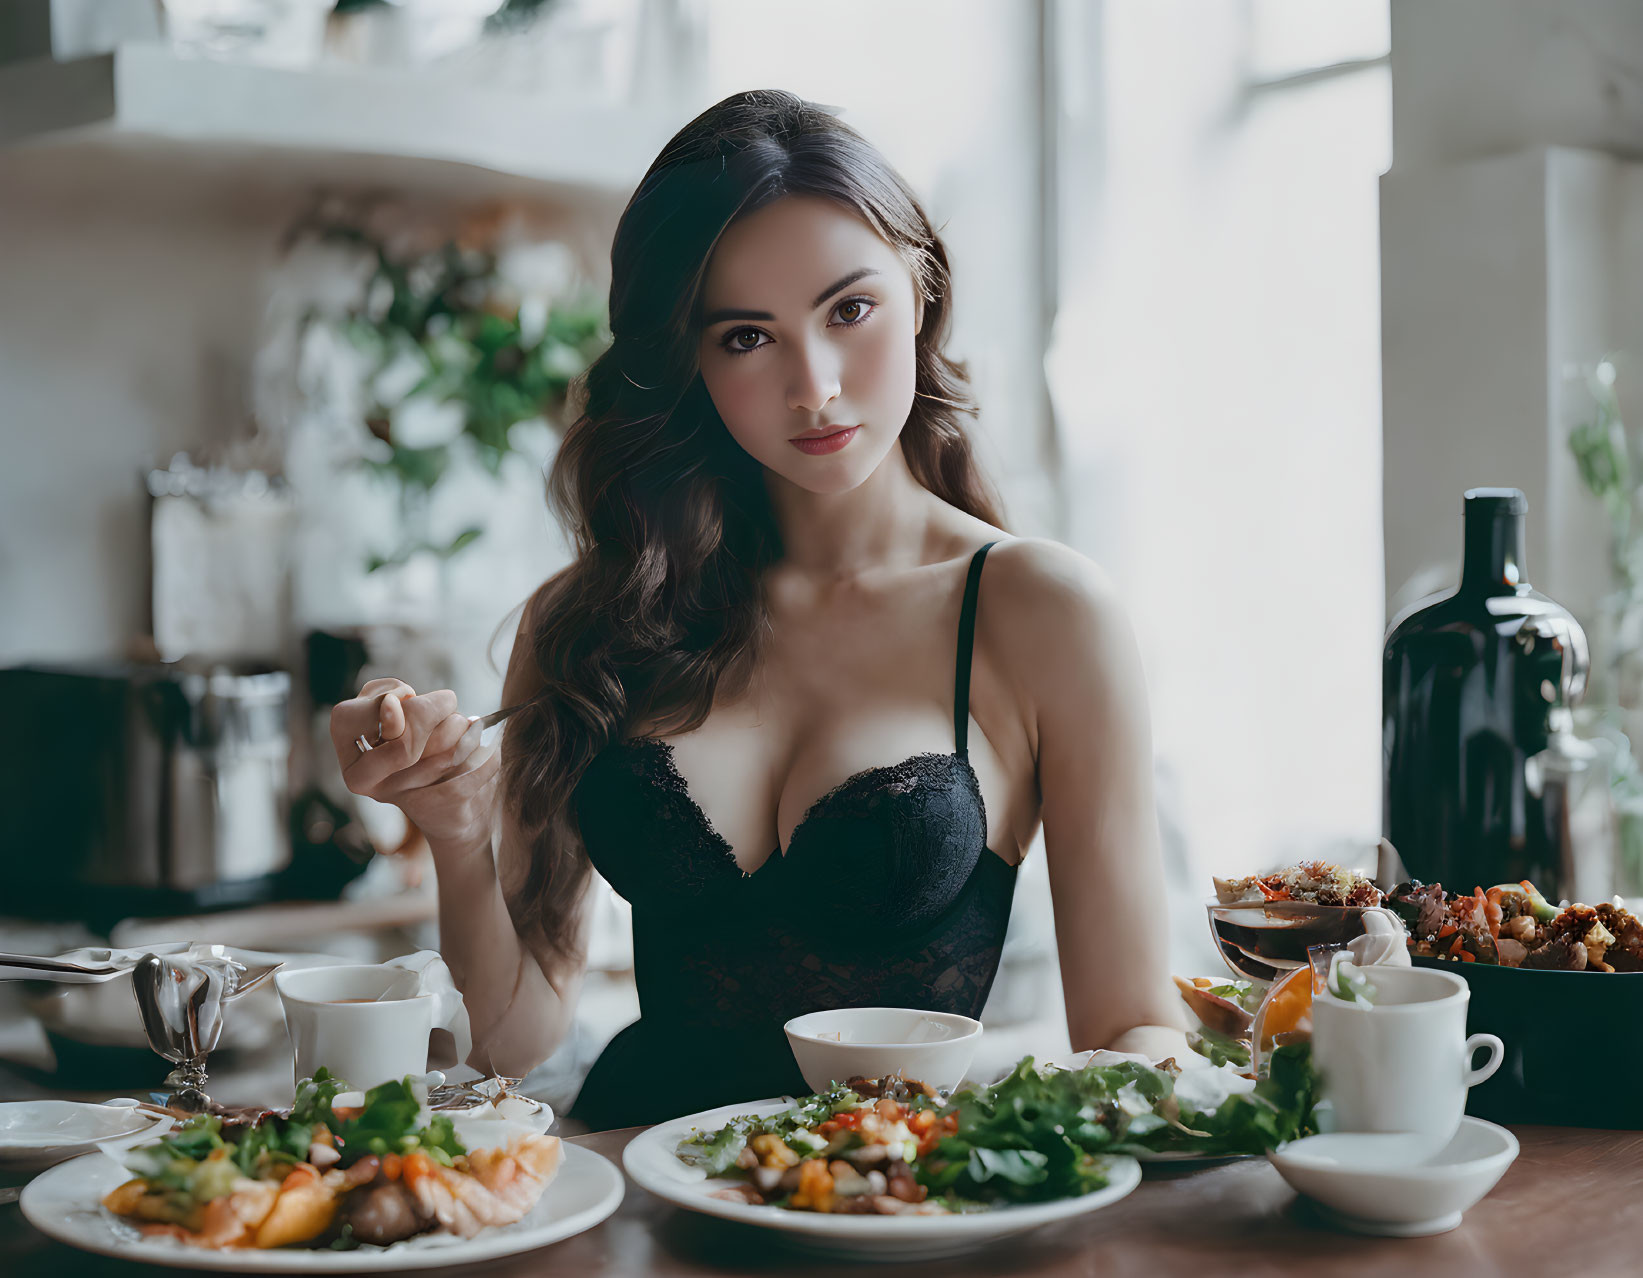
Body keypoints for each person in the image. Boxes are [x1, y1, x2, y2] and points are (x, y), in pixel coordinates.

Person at [331, 89, 1183, 1130]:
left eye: (849, 310)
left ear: (920, 292)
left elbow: (1132, 1027)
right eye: (746, 337)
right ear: (686, 359)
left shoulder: (1038, 613)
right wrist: (454, 830)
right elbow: (513, 1038)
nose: (814, 387)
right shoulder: (594, 621)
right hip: (635, 1199)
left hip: (891, 1211)